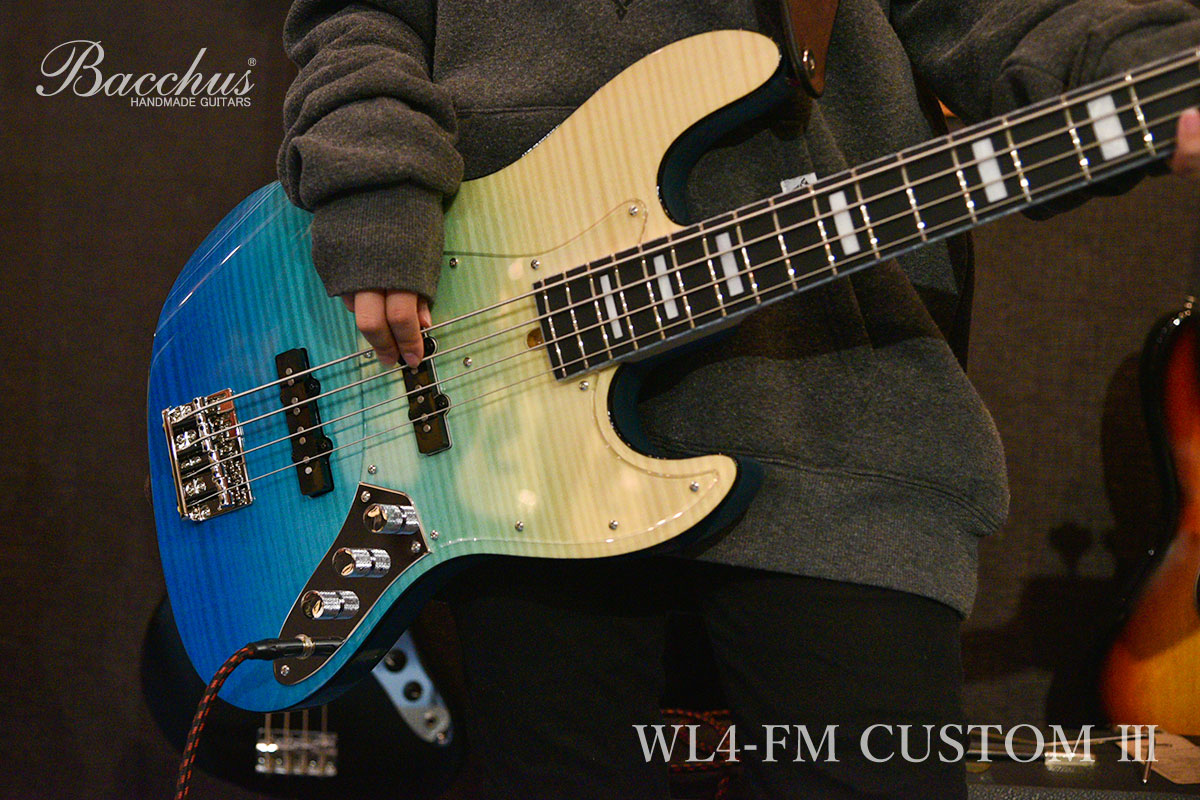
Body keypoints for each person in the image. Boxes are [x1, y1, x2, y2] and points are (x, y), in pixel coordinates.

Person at [277, 1, 1200, 796]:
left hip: (835, 418)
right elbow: (358, 17)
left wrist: (1158, 65)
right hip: (503, 425)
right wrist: (376, 182)